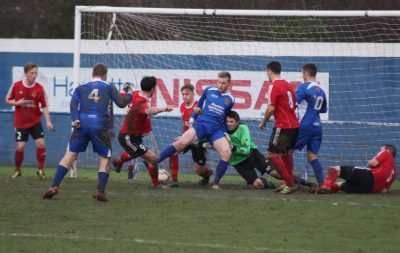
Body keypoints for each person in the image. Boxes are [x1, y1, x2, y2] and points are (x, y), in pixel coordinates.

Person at [41, 63, 132, 201]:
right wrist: (130, 93)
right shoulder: (108, 86)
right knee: (105, 158)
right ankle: (100, 191)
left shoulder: (81, 86)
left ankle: (54, 186)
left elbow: (73, 104)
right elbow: (121, 103)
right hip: (99, 125)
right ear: (105, 75)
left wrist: (75, 119)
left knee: (70, 155)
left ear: (92, 74)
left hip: (81, 123)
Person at [157, 71, 235, 190]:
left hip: (216, 130)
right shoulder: (209, 90)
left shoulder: (230, 99)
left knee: (227, 152)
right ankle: (156, 161)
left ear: (229, 83)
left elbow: (225, 116)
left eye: (223, 83)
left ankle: (215, 183)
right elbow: (199, 103)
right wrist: (194, 117)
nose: (220, 85)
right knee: (181, 142)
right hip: (202, 125)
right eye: (218, 82)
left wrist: (225, 132)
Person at [111, 76, 173, 188]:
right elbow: (149, 111)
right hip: (127, 137)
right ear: (153, 89)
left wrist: (126, 90)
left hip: (134, 136)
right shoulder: (143, 102)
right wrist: (164, 108)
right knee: (153, 158)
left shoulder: (134, 93)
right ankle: (155, 184)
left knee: (136, 154)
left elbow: (121, 96)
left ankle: (118, 162)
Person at [6, 62, 54, 179]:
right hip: (20, 123)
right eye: (32, 73)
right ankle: (17, 170)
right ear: (26, 73)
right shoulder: (16, 86)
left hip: (35, 121)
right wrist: (17, 103)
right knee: (21, 146)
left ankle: (41, 170)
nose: (34, 75)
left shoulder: (39, 88)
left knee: (41, 143)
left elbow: (44, 106)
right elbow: (8, 100)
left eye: (36, 73)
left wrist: (48, 121)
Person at [259, 61, 300, 194]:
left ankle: (290, 183)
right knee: (285, 154)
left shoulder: (274, 85)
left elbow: (271, 108)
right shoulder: (288, 85)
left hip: (283, 126)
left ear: (269, 71)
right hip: (294, 125)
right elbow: (293, 105)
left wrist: (263, 121)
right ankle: (287, 183)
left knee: (272, 155)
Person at [168, 83, 212, 187]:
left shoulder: (198, 106)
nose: (184, 96)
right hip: (186, 136)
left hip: (198, 139)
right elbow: (186, 125)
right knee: (173, 150)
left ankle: (207, 174)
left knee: (199, 171)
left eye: (187, 94)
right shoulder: (182, 106)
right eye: (182, 94)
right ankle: (174, 180)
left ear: (193, 93)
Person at [294, 63, 327, 189]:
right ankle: (322, 184)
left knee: (287, 151)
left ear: (306, 73)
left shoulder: (303, 87)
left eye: (303, 73)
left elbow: (293, 103)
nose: (302, 75)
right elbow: (323, 109)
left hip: (305, 126)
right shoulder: (321, 91)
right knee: (312, 156)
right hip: (318, 127)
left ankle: (289, 182)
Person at [226, 111, 275, 189]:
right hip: (238, 162)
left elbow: (246, 151)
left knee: (274, 173)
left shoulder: (243, 128)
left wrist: (232, 147)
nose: (229, 124)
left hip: (252, 154)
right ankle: (267, 184)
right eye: (227, 121)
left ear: (237, 122)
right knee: (258, 185)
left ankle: (296, 182)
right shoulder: (221, 131)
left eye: (231, 121)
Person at [319, 144, 397, 194]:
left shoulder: (386, 154)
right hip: (368, 190)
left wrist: (369, 163)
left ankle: (324, 188)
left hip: (369, 177)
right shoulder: (394, 174)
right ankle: (328, 189)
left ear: (387, 150)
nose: (379, 152)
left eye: (380, 150)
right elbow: (383, 191)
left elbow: (373, 163)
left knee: (334, 169)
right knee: (340, 184)